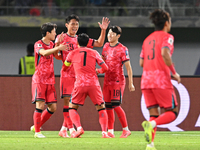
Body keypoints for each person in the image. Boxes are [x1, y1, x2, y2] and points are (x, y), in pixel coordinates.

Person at [54, 14, 110, 138]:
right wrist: (57, 44)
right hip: (68, 74)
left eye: (77, 24)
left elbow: (100, 43)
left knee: (72, 105)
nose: (75, 26)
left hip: (80, 77)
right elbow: (57, 56)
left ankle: (65, 129)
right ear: (67, 24)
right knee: (68, 102)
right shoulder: (61, 37)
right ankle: (71, 129)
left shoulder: (81, 38)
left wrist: (103, 30)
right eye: (73, 24)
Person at [140, 9, 181, 150]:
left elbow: (141, 62)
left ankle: (150, 144)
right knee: (173, 112)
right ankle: (152, 124)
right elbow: (165, 53)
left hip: (146, 81)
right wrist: (174, 73)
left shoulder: (147, 39)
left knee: (153, 113)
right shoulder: (167, 37)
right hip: (160, 80)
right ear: (167, 23)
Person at [64, 33, 110, 138]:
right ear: (88, 42)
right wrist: (98, 70)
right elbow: (105, 68)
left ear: (77, 42)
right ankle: (104, 133)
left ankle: (79, 128)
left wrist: (69, 68)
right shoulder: (94, 52)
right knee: (101, 108)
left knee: (72, 108)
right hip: (93, 83)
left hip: (80, 83)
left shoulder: (72, 53)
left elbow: (65, 66)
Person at [30, 22, 67, 138]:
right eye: (54, 32)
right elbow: (44, 53)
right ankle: (37, 132)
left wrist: (58, 44)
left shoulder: (52, 44)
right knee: (40, 105)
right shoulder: (38, 44)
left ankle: (36, 125)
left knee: (53, 107)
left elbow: (55, 54)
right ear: (48, 33)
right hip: (39, 79)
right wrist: (58, 47)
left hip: (50, 80)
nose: (55, 34)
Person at [101, 25, 135, 138]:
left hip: (117, 81)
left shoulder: (123, 49)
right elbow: (103, 63)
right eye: (109, 33)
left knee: (116, 105)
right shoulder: (105, 46)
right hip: (107, 81)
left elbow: (129, 68)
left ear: (118, 36)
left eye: (112, 34)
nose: (109, 35)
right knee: (108, 106)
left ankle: (126, 129)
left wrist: (131, 83)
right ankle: (110, 131)